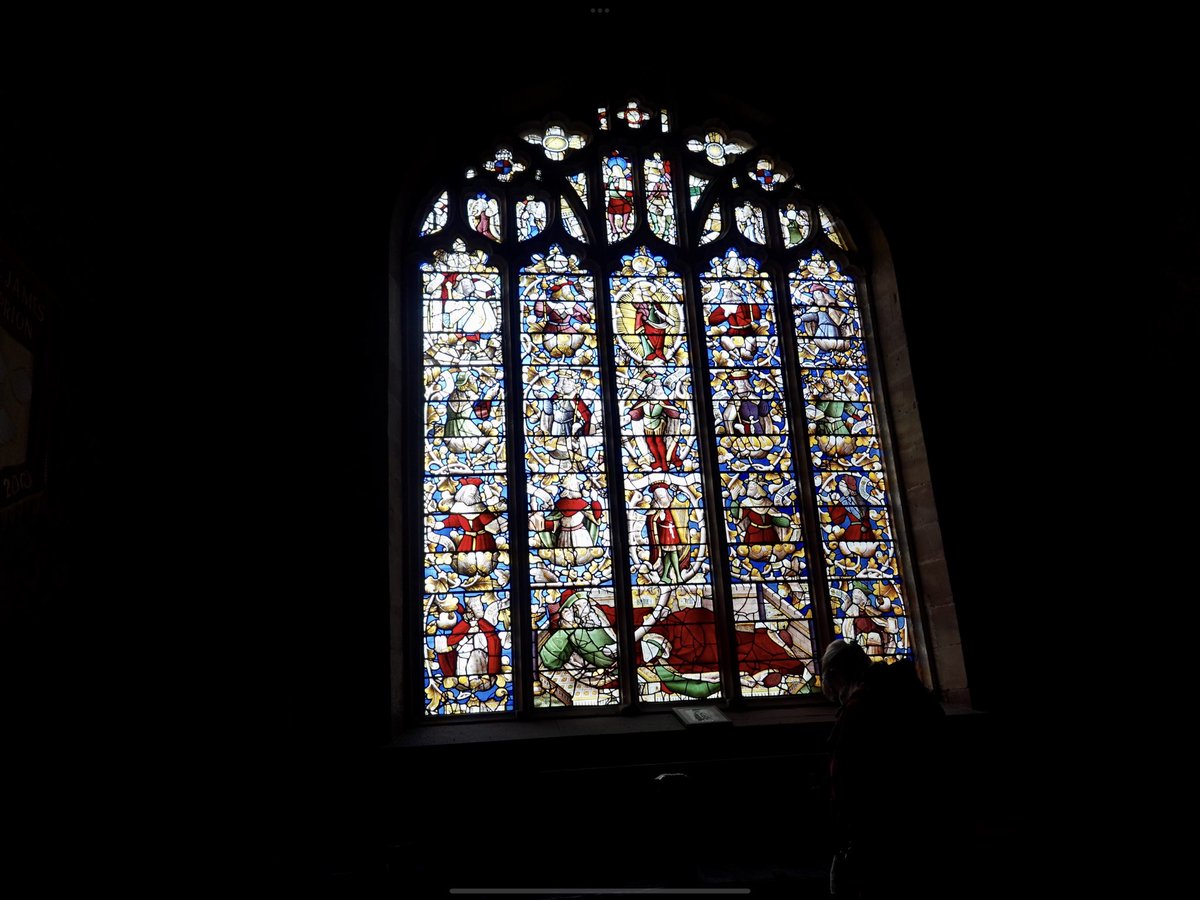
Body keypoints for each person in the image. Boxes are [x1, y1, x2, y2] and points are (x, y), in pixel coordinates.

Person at [821, 639, 946, 898]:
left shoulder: (860, 708)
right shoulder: (911, 693)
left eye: (833, 689)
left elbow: (846, 779)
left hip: (881, 833)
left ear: (836, 675)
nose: (838, 697)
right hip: (930, 824)